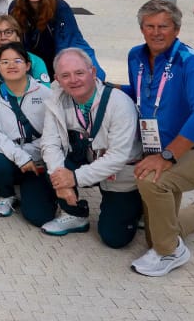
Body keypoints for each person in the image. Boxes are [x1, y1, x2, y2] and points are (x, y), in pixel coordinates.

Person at [122, 0, 194, 277]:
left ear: (176, 29)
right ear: (142, 29)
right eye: (150, 26)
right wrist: (95, 87)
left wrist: (168, 156)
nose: (157, 32)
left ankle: (171, 253)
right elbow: (139, 92)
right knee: (155, 235)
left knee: (150, 182)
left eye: (164, 26)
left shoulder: (190, 60)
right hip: (157, 149)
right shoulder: (135, 56)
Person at [38, 48, 144, 248]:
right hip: (87, 158)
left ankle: (138, 205)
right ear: (57, 79)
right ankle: (74, 214)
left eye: (79, 73)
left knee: (114, 238)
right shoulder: (56, 99)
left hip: (119, 171)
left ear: (93, 72)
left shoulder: (119, 103)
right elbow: (49, 143)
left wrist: (74, 178)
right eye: (65, 75)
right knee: (50, 158)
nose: (73, 80)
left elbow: (118, 157)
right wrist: (62, 182)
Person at [0, 41, 51, 220]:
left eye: (17, 61)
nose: (11, 65)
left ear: (28, 65)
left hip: (40, 159)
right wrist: (20, 157)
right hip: (10, 156)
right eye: (5, 62)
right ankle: (6, 194)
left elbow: (53, 134)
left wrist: (29, 155)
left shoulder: (46, 94)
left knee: (39, 217)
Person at [10, 0, 101, 79]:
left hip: (55, 61)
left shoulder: (60, 8)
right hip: (28, 62)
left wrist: (61, 72)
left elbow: (70, 41)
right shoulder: (14, 7)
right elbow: (13, 41)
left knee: (95, 75)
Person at [0, 15, 50, 90]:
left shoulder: (35, 61)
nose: (3, 37)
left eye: (8, 32)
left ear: (18, 37)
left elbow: (45, 94)